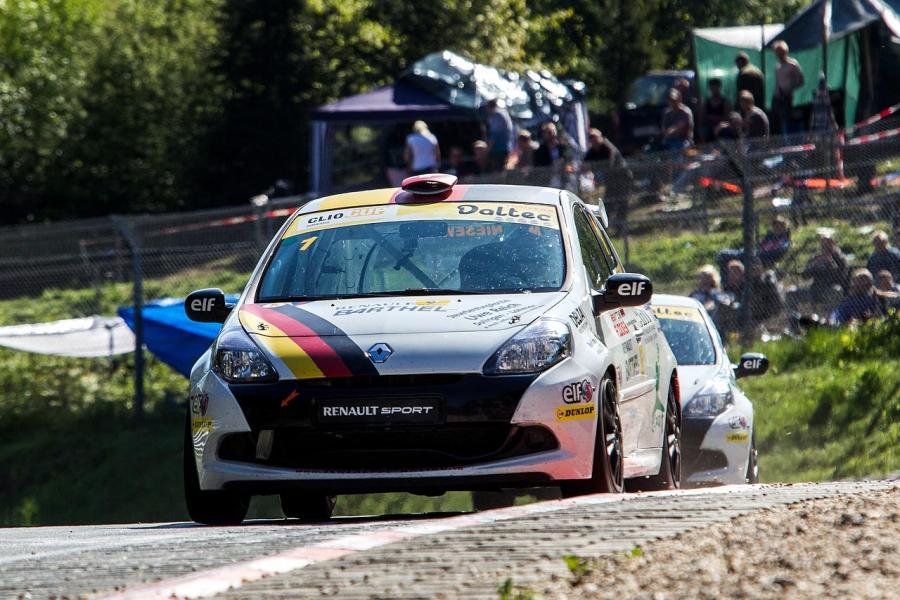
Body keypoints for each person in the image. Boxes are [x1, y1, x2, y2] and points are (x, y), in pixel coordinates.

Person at [786, 231, 849, 315]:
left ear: (833, 244)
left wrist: (831, 263)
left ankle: (832, 319)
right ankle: (793, 319)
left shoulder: (840, 258)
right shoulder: (816, 257)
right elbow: (805, 276)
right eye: (823, 244)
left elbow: (841, 277)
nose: (825, 247)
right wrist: (813, 265)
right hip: (814, 289)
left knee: (836, 290)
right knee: (790, 292)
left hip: (829, 289)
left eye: (828, 243)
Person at [583, 128, 632, 228]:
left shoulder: (608, 148)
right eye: (591, 139)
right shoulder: (593, 150)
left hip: (623, 179)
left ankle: (621, 228)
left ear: (600, 137)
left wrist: (592, 167)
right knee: (608, 204)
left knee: (622, 203)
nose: (594, 141)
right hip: (611, 182)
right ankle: (605, 227)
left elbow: (609, 165)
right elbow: (585, 162)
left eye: (595, 138)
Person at [772, 41, 805, 136]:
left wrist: (789, 88)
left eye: (781, 52)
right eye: (777, 53)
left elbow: (800, 81)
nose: (779, 55)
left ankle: (789, 139)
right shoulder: (777, 67)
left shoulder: (793, 65)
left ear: (785, 52)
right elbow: (777, 83)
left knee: (787, 120)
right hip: (777, 97)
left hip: (788, 97)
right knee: (776, 120)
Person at [485, 98, 515, 173]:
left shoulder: (497, 115)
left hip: (498, 150)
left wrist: (487, 150)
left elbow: (494, 134)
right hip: (505, 148)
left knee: (496, 172)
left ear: (489, 106)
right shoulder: (503, 113)